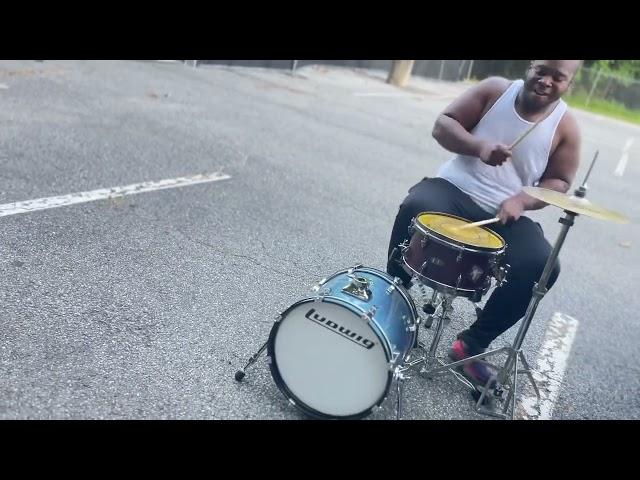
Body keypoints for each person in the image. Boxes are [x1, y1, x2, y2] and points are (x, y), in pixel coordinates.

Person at [386, 60, 582, 386]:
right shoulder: (495, 91)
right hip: (453, 190)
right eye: (541, 71)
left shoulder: (566, 127)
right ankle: (394, 304)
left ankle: (471, 345)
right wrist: (478, 147)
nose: (546, 81)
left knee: (543, 264)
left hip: (505, 213)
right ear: (531, 66)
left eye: (558, 78)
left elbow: (560, 182)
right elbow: (442, 125)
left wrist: (522, 200)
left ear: (569, 84)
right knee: (417, 206)